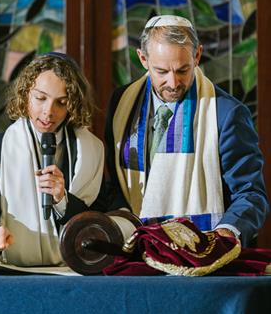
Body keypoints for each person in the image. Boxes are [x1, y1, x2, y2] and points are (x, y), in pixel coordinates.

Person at [104, 15, 269, 247]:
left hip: (204, 251)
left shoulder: (226, 113)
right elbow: (115, 184)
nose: (173, 83)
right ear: (143, 58)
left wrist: (227, 232)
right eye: (161, 71)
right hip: (134, 249)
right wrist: (122, 220)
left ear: (197, 55)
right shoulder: (122, 103)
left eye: (183, 70)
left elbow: (251, 193)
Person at [0, 53, 104, 266]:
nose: (48, 112)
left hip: (74, 271)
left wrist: (62, 199)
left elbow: (97, 222)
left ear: (72, 105)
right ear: (25, 94)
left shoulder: (92, 151)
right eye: (40, 98)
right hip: (12, 269)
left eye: (61, 102)